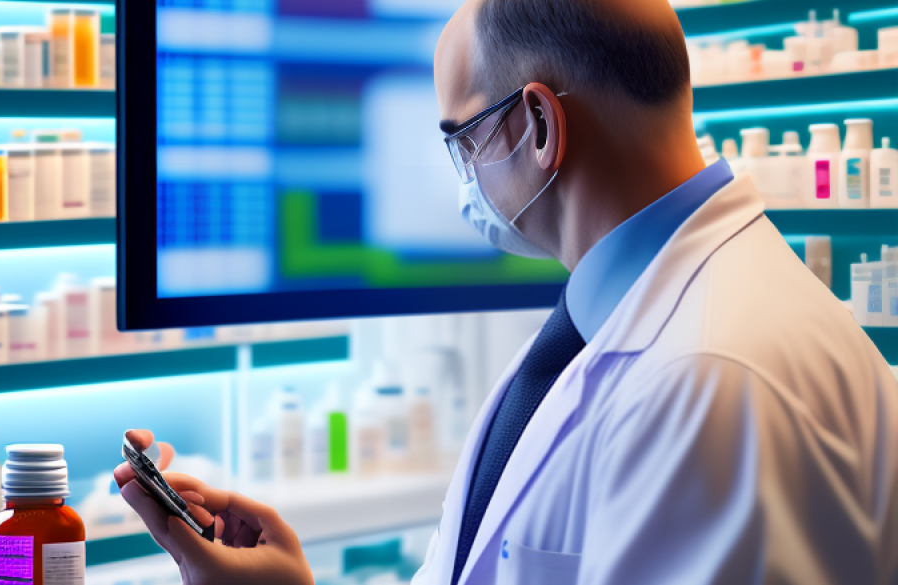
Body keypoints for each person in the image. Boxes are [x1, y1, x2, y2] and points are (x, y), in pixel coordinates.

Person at [117, 0, 898, 582]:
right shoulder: (606, 324)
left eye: (461, 140)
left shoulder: (708, 378)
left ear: (539, 127)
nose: (463, 179)